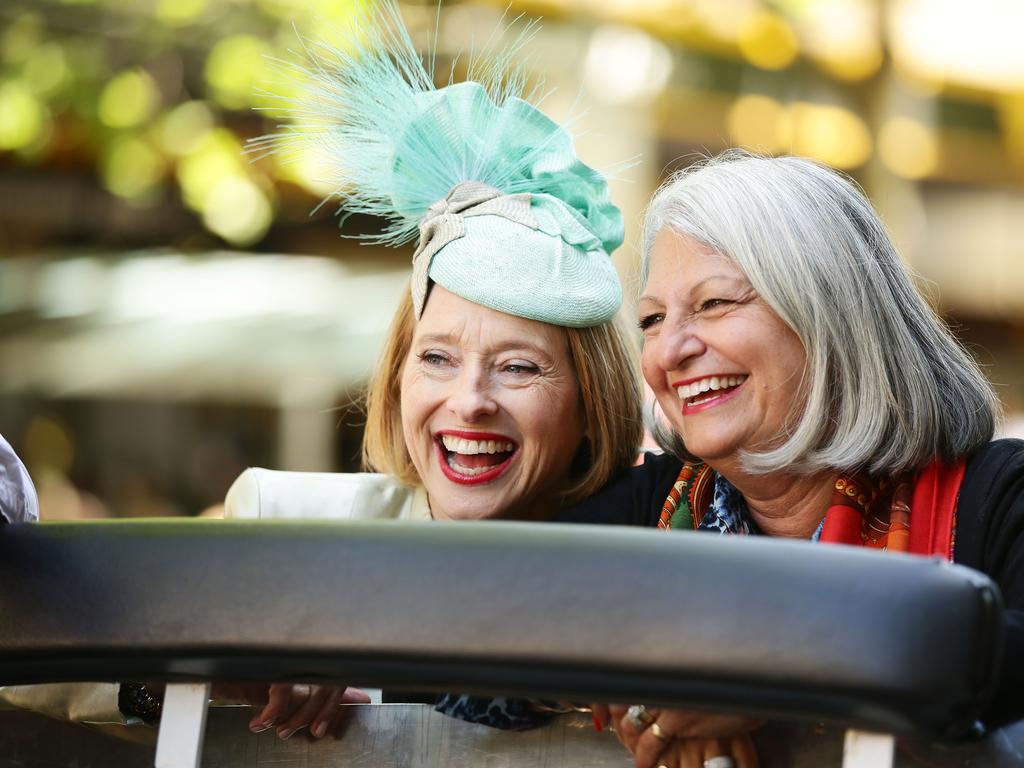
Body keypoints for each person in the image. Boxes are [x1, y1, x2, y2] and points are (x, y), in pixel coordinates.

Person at [560, 150, 1024, 768]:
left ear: (829, 314)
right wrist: (661, 693)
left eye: (715, 304)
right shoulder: (652, 504)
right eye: (651, 318)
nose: (670, 349)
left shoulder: (999, 496)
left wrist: (771, 669)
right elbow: (493, 621)